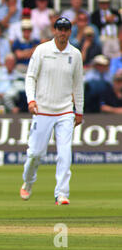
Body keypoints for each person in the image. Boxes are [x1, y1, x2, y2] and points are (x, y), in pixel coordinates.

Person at [20, 17, 84, 206]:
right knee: (35, 154)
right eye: (59, 29)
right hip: (43, 110)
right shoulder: (42, 50)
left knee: (65, 153)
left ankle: (62, 193)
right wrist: (31, 100)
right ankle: (29, 182)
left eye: (65, 29)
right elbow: (30, 77)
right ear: (54, 30)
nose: (62, 32)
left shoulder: (76, 54)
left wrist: (79, 110)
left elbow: (78, 85)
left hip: (65, 111)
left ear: (70, 32)